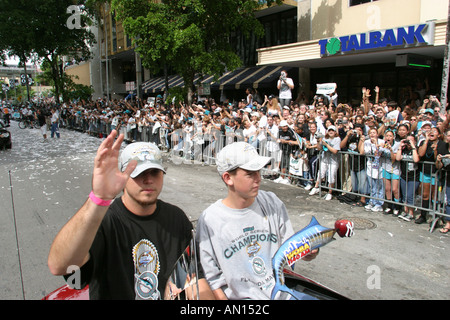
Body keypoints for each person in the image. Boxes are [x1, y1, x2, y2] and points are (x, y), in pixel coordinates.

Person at [47, 130, 214, 300]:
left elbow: (194, 279)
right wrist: (98, 199)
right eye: (139, 173)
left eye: (154, 172)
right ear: (123, 176)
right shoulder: (104, 221)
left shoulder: (176, 218)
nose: (148, 180)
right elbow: (60, 266)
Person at [196, 141, 318, 300]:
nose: (259, 178)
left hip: (282, 294)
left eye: (258, 171)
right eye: (250, 173)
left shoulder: (271, 202)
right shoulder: (210, 219)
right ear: (228, 178)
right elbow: (212, 278)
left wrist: (309, 251)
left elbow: (290, 247)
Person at [309, 126, 341, 200]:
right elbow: (319, 148)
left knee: (331, 176)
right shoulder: (324, 138)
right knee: (320, 173)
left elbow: (335, 151)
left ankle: (330, 192)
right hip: (325, 159)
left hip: (333, 161)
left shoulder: (337, 139)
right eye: (329, 130)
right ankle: (316, 187)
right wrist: (318, 141)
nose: (331, 132)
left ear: (335, 132)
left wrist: (326, 145)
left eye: (332, 130)